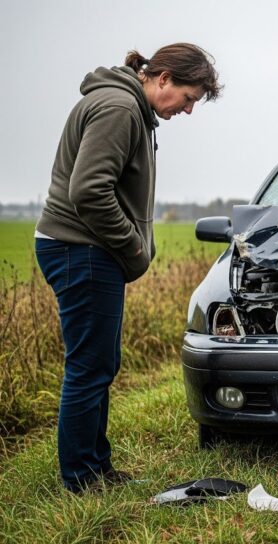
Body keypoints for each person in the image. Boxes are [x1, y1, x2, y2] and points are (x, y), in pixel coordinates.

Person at [34, 43, 221, 493]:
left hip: (83, 248)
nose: (189, 110)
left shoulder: (126, 104)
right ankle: (81, 477)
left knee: (99, 362)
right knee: (88, 366)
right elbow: (89, 191)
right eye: (189, 98)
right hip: (81, 248)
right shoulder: (119, 107)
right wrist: (134, 249)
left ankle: (95, 466)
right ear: (162, 79)